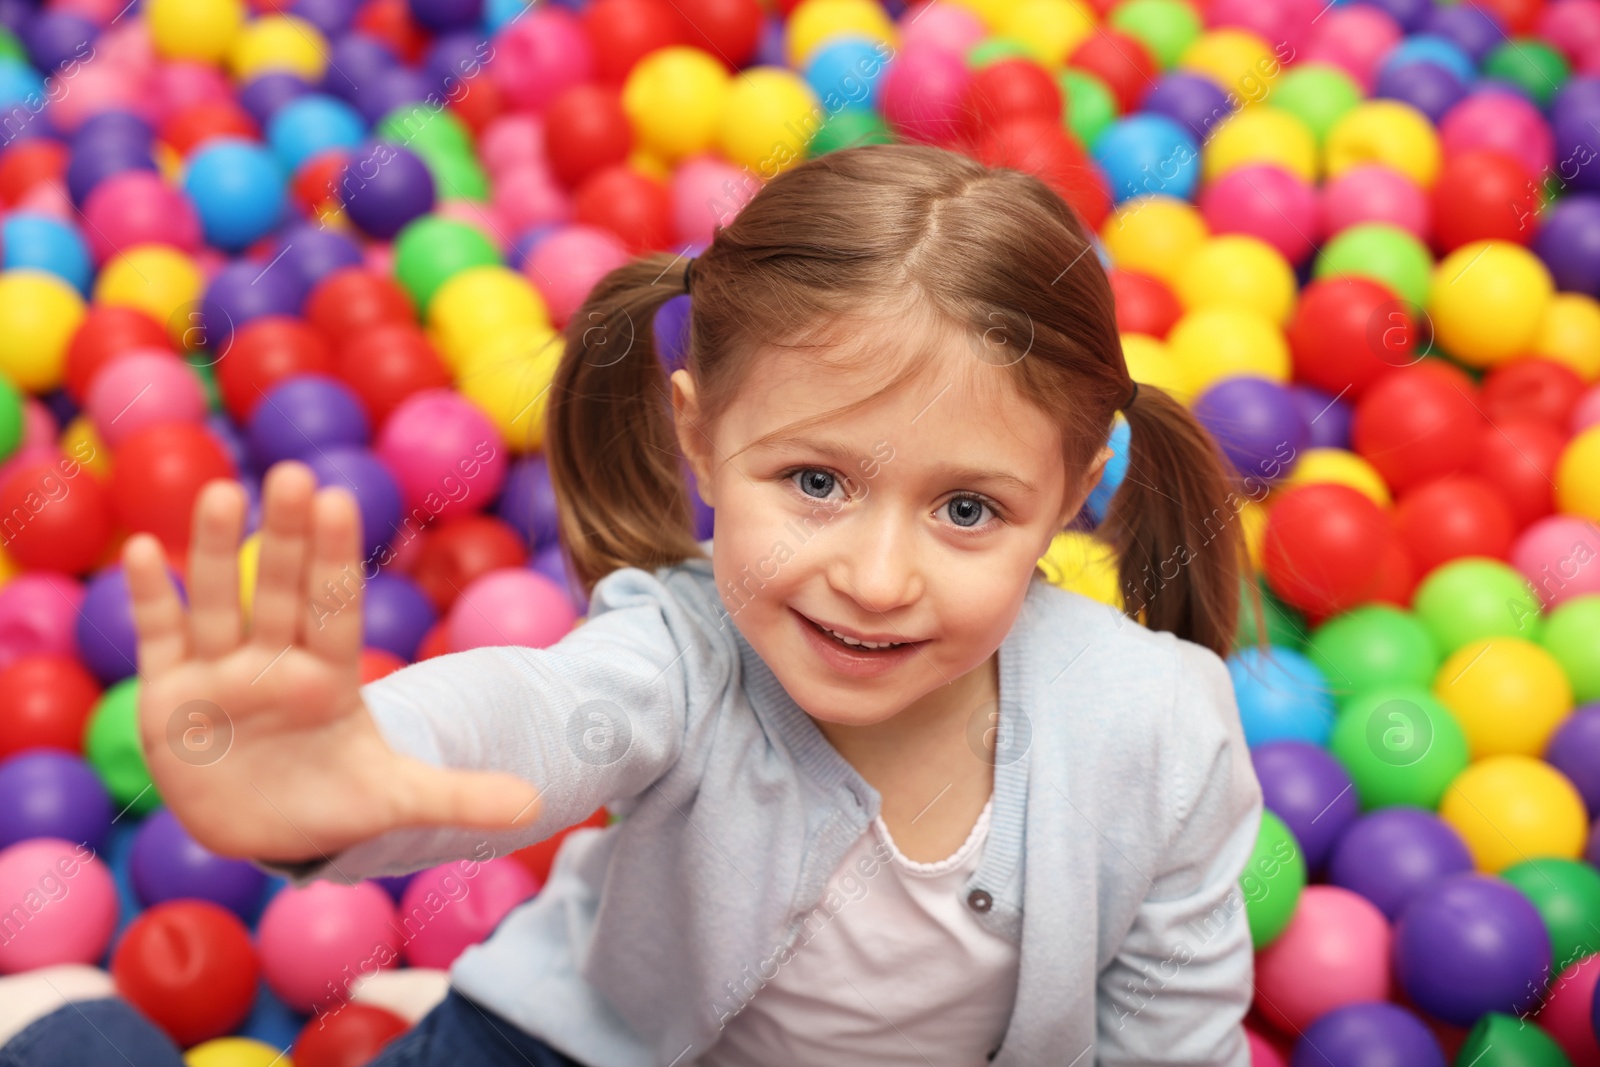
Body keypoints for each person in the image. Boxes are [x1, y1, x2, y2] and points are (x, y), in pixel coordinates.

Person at [0, 142, 1264, 1066]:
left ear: (1074, 491)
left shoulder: (1161, 727)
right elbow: (543, 711)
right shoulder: (685, 649)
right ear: (699, 439)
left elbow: (1173, 1029)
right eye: (815, 481)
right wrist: (359, 766)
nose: (877, 579)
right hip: (566, 1046)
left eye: (968, 510)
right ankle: (67, 1028)